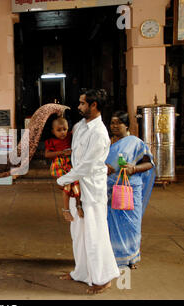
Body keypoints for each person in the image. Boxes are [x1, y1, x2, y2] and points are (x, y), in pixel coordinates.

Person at [56, 89, 120, 294]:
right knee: (78, 233)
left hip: (92, 189)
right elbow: (76, 157)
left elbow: (88, 165)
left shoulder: (100, 133)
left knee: (95, 233)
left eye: (83, 103)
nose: (79, 106)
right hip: (77, 187)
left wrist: (63, 179)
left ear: (94, 106)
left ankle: (103, 278)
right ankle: (81, 273)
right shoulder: (79, 126)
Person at [106, 111, 155, 269]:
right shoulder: (108, 143)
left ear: (126, 125)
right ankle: (115, 257)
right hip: (111, 190)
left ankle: (132, 257)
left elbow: (149, 164)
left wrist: (133, 169)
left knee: (131, 224)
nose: (114, 126)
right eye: (112, 123)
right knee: (113, 224)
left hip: (130, 188)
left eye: (118, 123)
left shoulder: (135, 142)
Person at [44, 116, 84, 220]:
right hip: (59, 165)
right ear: (53, 131)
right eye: (59, 130)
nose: (62, 132)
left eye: (64, 129)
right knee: (67, 183)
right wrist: (62, 152)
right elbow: (47, 154)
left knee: (76, 183)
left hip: (69, 164)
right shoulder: (51, 141)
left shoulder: (70, 137)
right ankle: (66, 210)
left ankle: (78, 205)